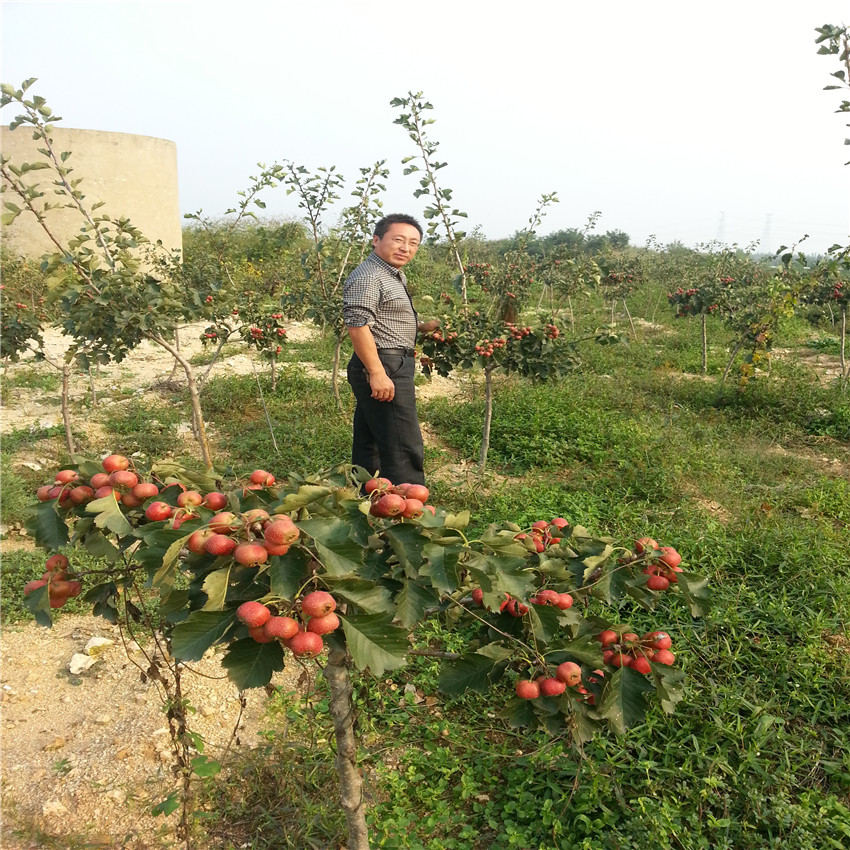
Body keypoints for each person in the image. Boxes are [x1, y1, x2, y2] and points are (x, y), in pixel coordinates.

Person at [343, 214, 439, 487]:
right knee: (402, 446)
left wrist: (420, 327)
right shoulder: (370, 276)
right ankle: (406, 513)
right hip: (383, 364)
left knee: (370, 441)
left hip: (388, 361)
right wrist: (377, 372)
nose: (405, 248)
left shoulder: (391, 275)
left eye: (413, 243)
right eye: (398, 240)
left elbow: (382, 319)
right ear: (376, 240)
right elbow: (358, 326)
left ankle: (367, 506)